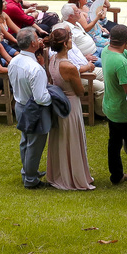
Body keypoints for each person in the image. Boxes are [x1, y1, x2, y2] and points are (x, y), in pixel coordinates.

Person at [43, 27, 94, 191]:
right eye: (70, 38)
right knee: (71, 139)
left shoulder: (52, 60)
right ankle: (73, 177)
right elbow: (80, 91)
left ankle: (60, 173)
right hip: (70, 104)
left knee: (61, 139)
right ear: (65, 44)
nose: (72, 41)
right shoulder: (69, 67)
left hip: (59, 103)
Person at [100, 24, 127, 188]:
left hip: (111, 108)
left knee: (114, 144)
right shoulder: (121, 63)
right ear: (126, 40)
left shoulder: (107, 51)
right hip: (126, 113)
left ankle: (116, 176)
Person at [9, 28, 51, 189]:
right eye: (36, 37)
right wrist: (53, 98)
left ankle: (27, 171)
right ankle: (31, 179)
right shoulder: (35, 69)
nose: (39, 39)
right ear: (33, 43)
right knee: (35, 144)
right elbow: (41, 98)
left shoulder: (15, 61)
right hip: (33, 109)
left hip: (19, 105)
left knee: (25, 141)